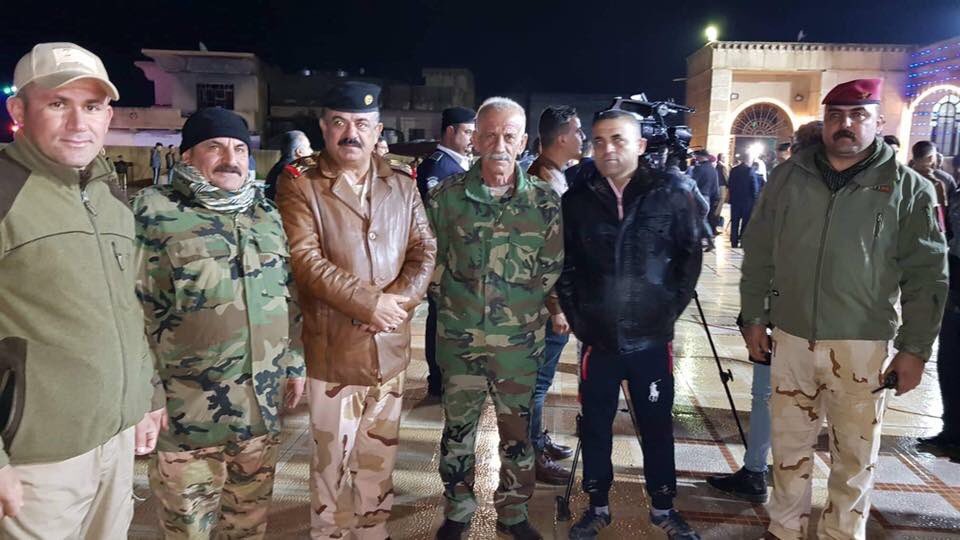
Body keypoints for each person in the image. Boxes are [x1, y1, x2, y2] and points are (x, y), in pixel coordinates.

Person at [741, 78, 948, 540]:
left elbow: (927, 276)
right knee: (787, 451)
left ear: (878, 121)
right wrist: (753, 316)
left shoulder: (909, 189)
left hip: (861, 346)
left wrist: (914, 349)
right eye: (835, 115)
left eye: (858, 115)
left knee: (854, 458)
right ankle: (784, 531)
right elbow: (759, 251)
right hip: (791, 339)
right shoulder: (788, 178)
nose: (845, 125)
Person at [0, 41, 159, 538]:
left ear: (108, 116)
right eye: (57, 103)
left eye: (91, 107)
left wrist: (146, 397)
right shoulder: (5, 192)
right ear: (18, 111)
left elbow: (129, 308)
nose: (77, 123)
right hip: (37, 459)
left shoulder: (110, 196)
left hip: (115, 441)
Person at [134, 107, 305, 538]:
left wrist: (294, 363)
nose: (231, 159)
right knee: (188, 528)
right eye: (215, 147)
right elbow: (132, 310)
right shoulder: (154, 212)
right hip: (187, 415)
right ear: (187, 156)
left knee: (248, 524)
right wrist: (145, 396)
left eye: (239, 149)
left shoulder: (266, 214)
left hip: (259, 409)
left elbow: (289, 297)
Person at [276, 81, 436, 540]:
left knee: (378, 458)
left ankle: (373, 530)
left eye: (362, 124)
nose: (352, 133)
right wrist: (370, 304)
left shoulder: (401, 182)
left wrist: (396, 304)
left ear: (377, 130)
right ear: (324, 127)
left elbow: (424, 249)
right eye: (340, 123)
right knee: (331, 464)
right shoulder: (301, 183)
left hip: (389, 351)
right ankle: (328, 533)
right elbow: (304, 260)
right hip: (335, 354)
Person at [557, 109, 703, 540]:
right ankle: (597, 505)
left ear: (640, 145)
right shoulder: (577, 200)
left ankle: (663, 506)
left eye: (618, 139)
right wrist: (581, 319)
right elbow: (565, 265)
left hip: (651, 340)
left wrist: (666, 311)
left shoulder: (670, 193)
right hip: (598, 340)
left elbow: (689, 257)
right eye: (599, 141)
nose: (607, 149)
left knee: (656, 425)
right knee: (595, 424)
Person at [427, 97, 562, 540]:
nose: (499, 145)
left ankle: (513, 512)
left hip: (519, 346)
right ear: (476, 141)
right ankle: (458, 508)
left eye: (509, 136)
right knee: (458, 431)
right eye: (489, 135)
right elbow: (428, 262)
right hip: (460, 340)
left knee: (518, 434)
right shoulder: (446, 198)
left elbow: (551, 266)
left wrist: (525, 311)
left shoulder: (543, 200)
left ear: (523, 142)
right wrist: (457, 305)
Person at [525, 105, 584, 485]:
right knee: (537, 381)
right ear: (561, 137)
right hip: (546, 304)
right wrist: (557, 307)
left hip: (552, 299)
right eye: (578, 131)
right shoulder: (543, 182)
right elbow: (543, 254)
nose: (583, 138)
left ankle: (537, 440)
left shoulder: (554, 175)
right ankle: (531, 454)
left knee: (541, 380)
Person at [416, 106, 476, 397]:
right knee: (440, 320)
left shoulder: (461, 166)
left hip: (460, 261)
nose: (472, 138)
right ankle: (438, 380)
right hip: (443, 261)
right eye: (468, 132)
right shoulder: (437, 168)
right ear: (451, 131)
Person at [265, 130, 313, 200]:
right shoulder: (294, 171)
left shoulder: (277, 168)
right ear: (299, 152)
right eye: (308, 147)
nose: (311, 151)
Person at [727, 154, 761, 248]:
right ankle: (742, 241)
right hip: (747, 201)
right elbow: (754, 187)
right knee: (745, 222)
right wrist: (755, 200)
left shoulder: (733, 170)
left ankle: (733, 241)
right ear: (749, 160)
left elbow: (729, 184)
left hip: (735, 200)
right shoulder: (750, 171)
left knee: (734, 222)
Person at [690, 149, 720, 232]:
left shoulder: (698, 169)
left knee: (695, 221)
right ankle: (707, 236)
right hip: (708, 199)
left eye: (697, 156)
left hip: (698, 197)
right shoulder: (713, 170)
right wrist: (716, 198)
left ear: (701, 157)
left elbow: (692, 183)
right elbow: (715, 186)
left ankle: (700, 236)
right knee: (703, 220)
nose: (696, 158)